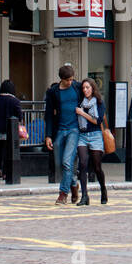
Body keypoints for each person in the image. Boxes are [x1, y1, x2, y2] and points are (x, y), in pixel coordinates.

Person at [44, 65, 82, 205]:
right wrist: (48, 135)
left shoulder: (78, 87)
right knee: (59, 164)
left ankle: (63, 194)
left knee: (67, 161)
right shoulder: (53, 92)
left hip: (74, 130)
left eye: (72, 79)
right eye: (68, 80)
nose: (70, 82)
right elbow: (48, 115)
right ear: (62, 79)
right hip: (59, 130)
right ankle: (73, 184)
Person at [75, 77, 109, 206]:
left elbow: (97, 121)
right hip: (82, 135)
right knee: (82, 164)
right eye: (83, 88)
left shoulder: (99, 102)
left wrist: (82, 113)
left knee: (96, 167)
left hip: (95, 135)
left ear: (93, 88)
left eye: (87, 87)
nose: (85, 90)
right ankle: (84, 196)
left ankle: (103, 190)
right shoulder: (80, 102)